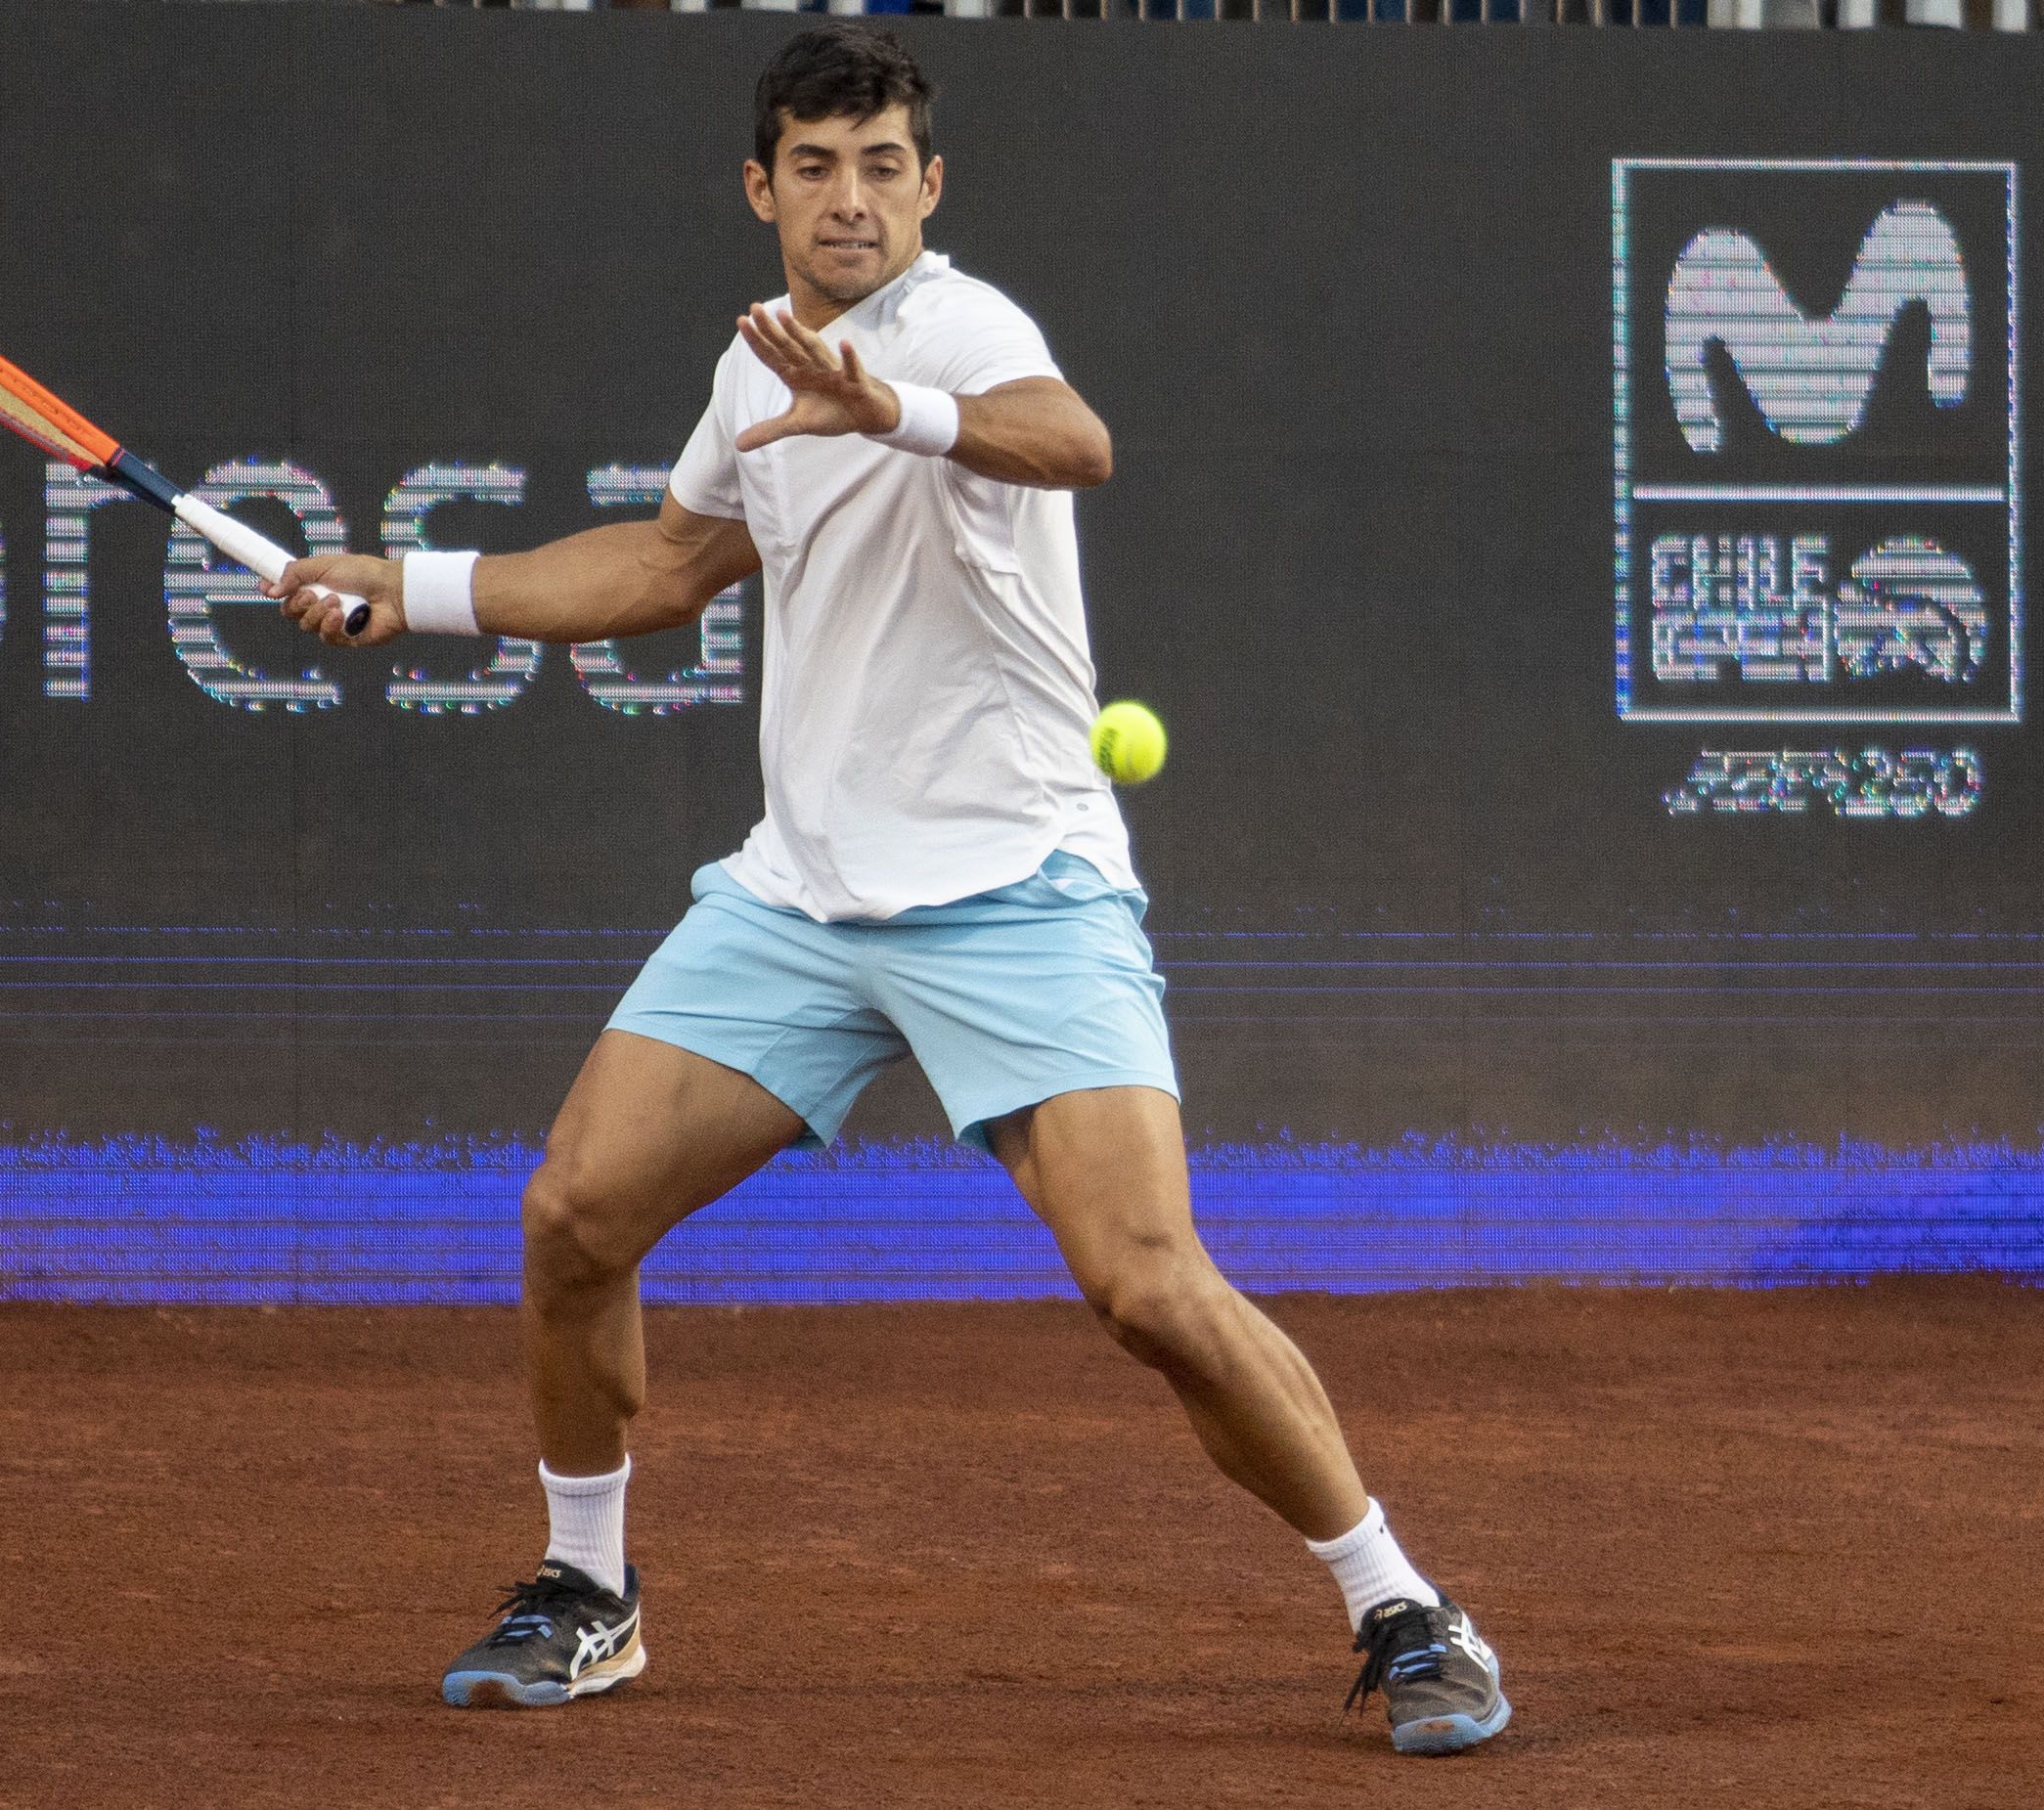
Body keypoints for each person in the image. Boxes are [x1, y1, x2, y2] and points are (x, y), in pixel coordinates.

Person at [267, 22, 1508, 1758]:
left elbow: (1072, 442)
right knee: (573, 1217)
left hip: (1017, 886)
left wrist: (896, 408)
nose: (849, 200)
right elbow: (677, 559)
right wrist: (426, 584)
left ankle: (1404, 1605)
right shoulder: (751, 365)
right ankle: (586, 1589)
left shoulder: (960, 329)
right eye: (815, 166)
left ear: (929, 187)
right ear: (760, 184)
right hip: (804, 898)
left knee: (1148, 1286)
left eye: (881, 168)